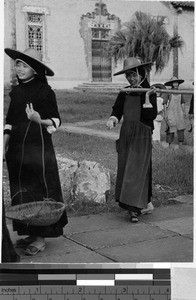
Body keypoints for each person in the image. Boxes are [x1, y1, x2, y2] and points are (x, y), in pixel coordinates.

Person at [3, 48, 68, 256]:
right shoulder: (17, 92)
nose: (19, 69)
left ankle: (40, 238)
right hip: (17, 149)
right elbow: (10, 121)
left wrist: (38, 119)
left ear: (35, 69)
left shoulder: (44, 91)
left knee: (39, 189)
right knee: (21, 189)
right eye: (18, 64)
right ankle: (29, 232)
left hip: (38, 149)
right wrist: (4, 142)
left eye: (24, 65)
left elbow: (56, 120)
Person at [106, 57, 157, 222]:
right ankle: (142, 203)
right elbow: (117, 109)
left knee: (136, 170)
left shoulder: (149, 92)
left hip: (142, 135)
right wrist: (113, 119)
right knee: (126, 169)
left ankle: (134, 209)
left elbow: (151, 116)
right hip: (127, 134)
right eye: (128, 76)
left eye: (133, 75)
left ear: (141, 74)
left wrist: (148, 98)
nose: (130, 79)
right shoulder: (125, 92)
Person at [164, 76, 186, 147]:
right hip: (171, 112)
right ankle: (169, 145)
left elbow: (182, 102)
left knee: (181, 128)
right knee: (171, 128)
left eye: (176, 83)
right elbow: (165, 103)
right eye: (174, 83)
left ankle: (180, 144)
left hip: (179, 112)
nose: (175, 84)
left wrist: (183, 111)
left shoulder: (180, 92)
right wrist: (165, 113)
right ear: (171, 84)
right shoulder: (168, 92)